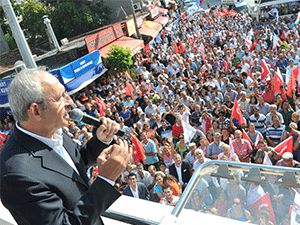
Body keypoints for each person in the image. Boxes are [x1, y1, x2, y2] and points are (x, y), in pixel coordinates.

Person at [0, 69, 132, 225]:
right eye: (60, 98)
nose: (70, 102)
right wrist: (105, 180)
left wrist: (100, 141)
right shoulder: (16, 176)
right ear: (36, 110)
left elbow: (73, 163)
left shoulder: (53, 131)